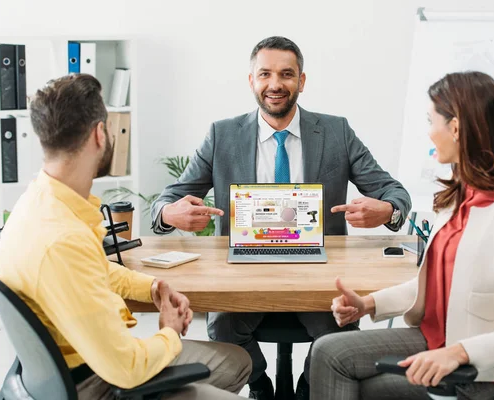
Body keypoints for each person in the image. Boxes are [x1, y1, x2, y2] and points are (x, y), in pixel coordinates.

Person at [150, 36, 411, 400]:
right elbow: (166, 200)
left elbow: (394, 193)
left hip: (320, 272)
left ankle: (308, 386)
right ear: (252, 81)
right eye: (265, 74)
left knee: (341, 331)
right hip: (243, 271)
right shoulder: (221, 135)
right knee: (224, 324)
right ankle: (259, 384)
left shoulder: (336, 132)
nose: (275, 84)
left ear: (301, 81)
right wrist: (169, 212)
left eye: (287, 74)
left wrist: (388, 210)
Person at [0, 74, 251, 400]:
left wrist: (152, 286)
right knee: (233, 366)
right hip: (98, 384)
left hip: (66, 371)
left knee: (238, 360)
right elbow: (126, 368)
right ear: (100, 133)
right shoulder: (62, 239)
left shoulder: (37, 205)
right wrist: (169, 330)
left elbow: (89, 267)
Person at [309, 71, 494, 400]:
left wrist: (457, 353)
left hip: (481, 370)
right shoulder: (458, 197)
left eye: (431, 121)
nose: (428, 134)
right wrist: (368, 305)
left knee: (358, 380)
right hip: (436, 339)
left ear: (455, 128)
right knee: (329, 353)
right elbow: (433, 286)